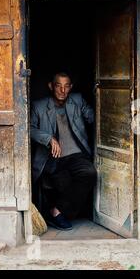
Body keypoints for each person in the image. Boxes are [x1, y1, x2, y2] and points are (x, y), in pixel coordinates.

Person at [30, 72, 97, 230]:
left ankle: (56, 212)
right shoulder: (39, 106)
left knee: (89, 173)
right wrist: (48, 139)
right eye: (58, 85)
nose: (62, 90)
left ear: (71, 87)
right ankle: (58, 213)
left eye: (66, 86)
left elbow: (94, 117)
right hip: (52, 158)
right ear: (51, 86)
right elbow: (29, 128)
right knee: (63, 183)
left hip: (76, 155)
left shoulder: (78, 100)